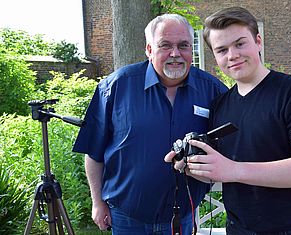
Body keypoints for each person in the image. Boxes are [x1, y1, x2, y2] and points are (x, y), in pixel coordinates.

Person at [165, 7, 291, 234]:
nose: (232, 55)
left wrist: (234, 170)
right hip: (238, 228)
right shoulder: (220, 105)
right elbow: (222, 167)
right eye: (222, 50)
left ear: (258, 41)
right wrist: (192, 166)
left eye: (240, 44)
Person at [72, 13, 228, 234]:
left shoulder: (213, 91)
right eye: (165, 45)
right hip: (126, 218)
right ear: (148, 49)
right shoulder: (115, 87)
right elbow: (93, 152)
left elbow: (231, 148)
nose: (175, 54)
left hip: (182, 217)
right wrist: (97, 201)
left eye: (183, 45)